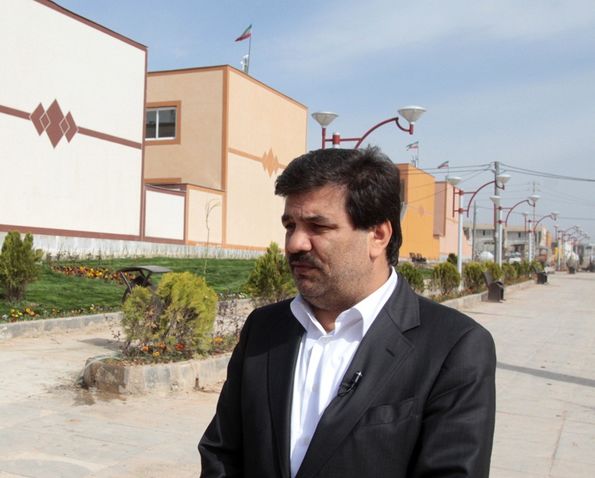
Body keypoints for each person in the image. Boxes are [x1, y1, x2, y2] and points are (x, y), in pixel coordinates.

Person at [199, 147, 496, 478]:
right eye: (290, 225)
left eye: (317, 226)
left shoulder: (454, 346)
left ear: (378, 236)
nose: (295, 243)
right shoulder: (264, 328)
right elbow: (222, 454)